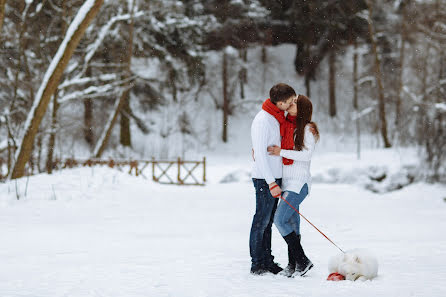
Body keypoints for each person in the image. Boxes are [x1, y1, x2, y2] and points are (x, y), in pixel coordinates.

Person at [268, 95, 319, 277]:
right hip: (287, 182)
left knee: (279, 219)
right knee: (291, 223)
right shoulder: (287, 126)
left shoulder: (306, 129)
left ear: (303, 109)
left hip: (299, 183)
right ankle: (294, 265)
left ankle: (302, 260)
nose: (291, 104)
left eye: (296, 103)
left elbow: (306, 155)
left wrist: (280, 151)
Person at [249, 83, 295, 275]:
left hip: (274, 177)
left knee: (268, 222)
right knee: (261, 221)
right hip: (264, 178)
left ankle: (267, 261)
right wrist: (271, 182)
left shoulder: (277, 117)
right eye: (291, 101)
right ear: (281, 102)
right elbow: (260, 154)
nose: (293, 103)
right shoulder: (263, 120)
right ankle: (257, 263)